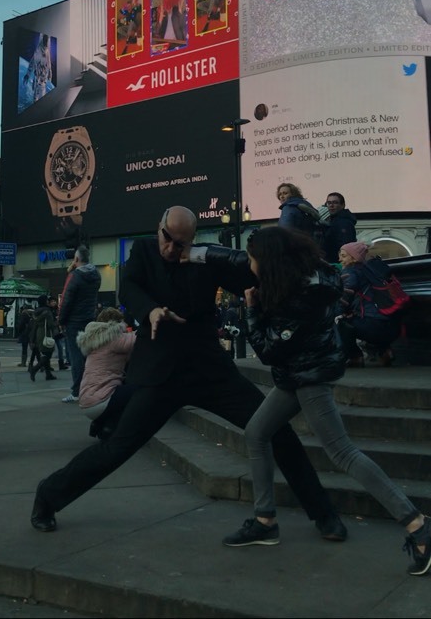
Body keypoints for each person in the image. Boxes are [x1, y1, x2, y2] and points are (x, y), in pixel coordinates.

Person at [30, 205, 346, 541]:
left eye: (181, 244)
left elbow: (253, 274)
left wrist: (290, 270)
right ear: (159, 227)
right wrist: (151, 310)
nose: (171, 248)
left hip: (209, 370)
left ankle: (324, 514)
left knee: (277, 432)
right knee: (117, 447)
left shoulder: (203, 258)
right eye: (168, 239)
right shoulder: (144, 251)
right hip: (160, 374)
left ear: (192, 240)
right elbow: (130, 289)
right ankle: (47, 497)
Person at [219, 226, 430, 577]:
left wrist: (252, 310)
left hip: (310, 376)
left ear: (270, 262)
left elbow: (269, 351)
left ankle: (417, 524)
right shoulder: (312, 274)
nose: (250, 265)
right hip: (301, 371)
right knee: (257, 432)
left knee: (342, 452)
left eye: (254, 259)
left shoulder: (296, 297)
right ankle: (264, 520)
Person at [335, 242, 402, 367]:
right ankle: (385, 352)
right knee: (373, 318)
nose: (340, 259)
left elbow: (345, 298)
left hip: (372, 327)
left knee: (341, 324)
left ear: (353, 258)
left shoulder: (351, 272)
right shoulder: (372, 270)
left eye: (343, 256)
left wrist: (336, 314)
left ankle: (355, 357)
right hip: (394, 327)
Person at [77, 307, 136, 439]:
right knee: (140, 392)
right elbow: (139, 339)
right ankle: (110, 426)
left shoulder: (96, 340)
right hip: (101, 401)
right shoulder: (113, 338)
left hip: (87, 401)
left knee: (122, 389)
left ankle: (98, 424)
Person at [59, 245, 101, 403]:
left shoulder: (75, 276)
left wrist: (61, 320)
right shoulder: (96, 274)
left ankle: (77, 391)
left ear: (76, 259)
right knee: (87, 355)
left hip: (74, 321)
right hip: (89, 318)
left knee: (75, 356)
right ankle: (89, 387)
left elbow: (66, 300)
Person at [28, 295, 58, 382]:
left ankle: (48, 374)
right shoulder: (47, 311)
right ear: (45, 302)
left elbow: (34, 325)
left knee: (45, 353)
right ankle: (35, 369)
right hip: (46, 333)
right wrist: (57, 322)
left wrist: (32, 338)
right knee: (48, 354)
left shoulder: (36, 312)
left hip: (39, 333)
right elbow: (51, 324)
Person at [322, 192, 357, 263]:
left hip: (338, 264)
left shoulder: (344, 223)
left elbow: (345, 246)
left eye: (335, 203)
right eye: (329, 203)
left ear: (342, 205)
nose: (331, 205)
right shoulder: (332, 221)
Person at [23, 33, 52, 102]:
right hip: (39, 76)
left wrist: (50, 71)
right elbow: (33, 62)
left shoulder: (45, 51)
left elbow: (48, 60)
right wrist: (28, 74)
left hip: (41, 78)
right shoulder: (39, 51)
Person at [48, 296, 68, 371]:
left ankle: (61, 363)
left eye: (54, 301)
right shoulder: (49, 310)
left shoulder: (57, 310)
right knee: (50, 348)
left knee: (60, 347)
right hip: (52, 331)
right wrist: (56, 322)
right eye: (52, 301)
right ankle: (47, 364)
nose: (54, 303)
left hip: (57, 332)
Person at [15, 303, 34, 368]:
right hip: (32, 333)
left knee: (24, 348)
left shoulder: (24, 314)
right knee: (34, 348)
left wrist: (19, 331)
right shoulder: (34, 314)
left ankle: (23, 363)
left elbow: (21, 324)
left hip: (25, 333)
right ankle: (39, 362)